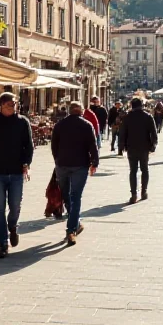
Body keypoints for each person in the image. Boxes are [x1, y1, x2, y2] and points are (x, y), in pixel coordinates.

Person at [0, 92, 34, 259]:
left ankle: (13, 226)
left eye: (15, 104)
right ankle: (3, 243)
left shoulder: (23, 122)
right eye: (10, 104)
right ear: (1, 105)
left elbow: (29, 146)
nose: (14, 107)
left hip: (17, 172)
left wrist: (27, 164)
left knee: (15, 205)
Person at [51, 101, 99, 246]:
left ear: (69, 111)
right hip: (80, 165)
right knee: (75, 196)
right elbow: (93, 145)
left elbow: (54, 145)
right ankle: (72, 228)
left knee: (66, 195)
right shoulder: (87, 125)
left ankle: (74, 225)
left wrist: (57, 160)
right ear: (82, 111)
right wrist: (94, 163)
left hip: (62, 165)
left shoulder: (59, 125)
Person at [119, 98, 158, 204]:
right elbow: (153, 133)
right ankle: (144, 192)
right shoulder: (148, 117)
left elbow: (122, 132)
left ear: (131, 106)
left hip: (131, 147)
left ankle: (133, 194)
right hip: (144, 147)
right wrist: (153, 145)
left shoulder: (127, 117)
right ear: (142, 105)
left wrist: (121, 146)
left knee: (133, 171)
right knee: (144, 169)